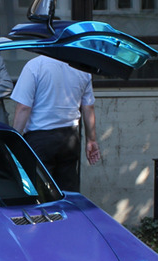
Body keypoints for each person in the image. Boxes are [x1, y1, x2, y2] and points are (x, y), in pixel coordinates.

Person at [11, 56, 101, 193]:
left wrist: (14, 140)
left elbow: (24, 107)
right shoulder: (82, 68)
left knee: (40, 193)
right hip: (70, 137)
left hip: (39, 138)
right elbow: (88, 107)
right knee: (67, 192)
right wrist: (91, 139)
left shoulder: (35, 66)